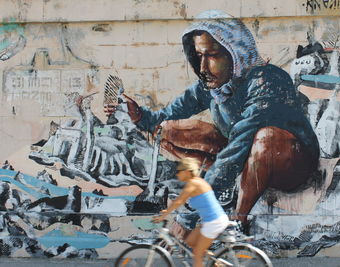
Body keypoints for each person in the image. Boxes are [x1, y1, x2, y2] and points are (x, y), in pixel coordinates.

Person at [105, 10, 319, 229]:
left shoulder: (266, 80)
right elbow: (165, 116)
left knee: (266, 138)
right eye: (199, 56)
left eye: (212, 56)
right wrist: (138, 115)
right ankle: (229, 186)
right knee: (168, 130)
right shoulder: (211, 86)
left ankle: (238, 220)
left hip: (290, 164)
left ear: (235, 53)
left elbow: (240, 143)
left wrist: (200, 202)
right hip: (244, 154)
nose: (202, 68)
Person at [153, 157, 229, 267]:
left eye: (179, 171)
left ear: (187, 172)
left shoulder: (194, 184)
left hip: (214, 222)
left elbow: (179, 200)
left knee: (197, 253)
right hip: (209, 221)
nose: (178, 174)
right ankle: (217, 264)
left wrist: (163, 215)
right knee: (190, 242)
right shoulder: (197, 182)